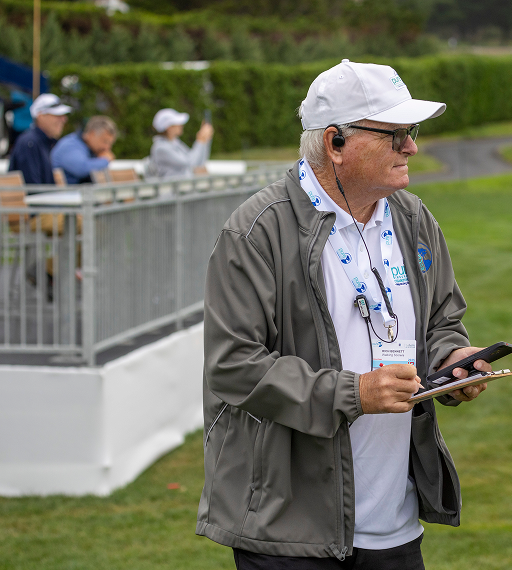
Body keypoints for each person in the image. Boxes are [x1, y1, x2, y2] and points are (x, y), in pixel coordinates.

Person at [198, 59, 493, 570]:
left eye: (412, 132)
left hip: (395, 527)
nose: (412, 147)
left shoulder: (413, 218)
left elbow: (441, 319)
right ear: (335, 143)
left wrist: (454, 359)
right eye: (395, 134)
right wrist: (353, 393)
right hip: (290, 533)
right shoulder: (257, 231)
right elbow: (234, 364)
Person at [7, 93, 71, 188]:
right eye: (57, 115)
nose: (64, 119)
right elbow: (33, 188)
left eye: (63, 115)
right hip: (38, 201)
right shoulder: (30, 142)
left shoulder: (47, 142)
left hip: (46, 199)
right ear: (40, 116)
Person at [148, 108, 213, 179]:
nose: (181, 125)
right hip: (172, 189)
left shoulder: (175, 142)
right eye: (177, 123)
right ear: (169, 128)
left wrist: (205, 141)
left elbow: (198, 162)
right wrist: (200, 140)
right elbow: (191, 163)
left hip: (182, 187)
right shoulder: (160, 148)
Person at [51, 115, 117, 184]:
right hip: (65, 193)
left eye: (110, 144)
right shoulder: (70, 146)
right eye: (105, 141)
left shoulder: (88, 148)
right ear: (92, 134)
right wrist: (105, 160)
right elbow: (81, 169)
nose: (107, 147)